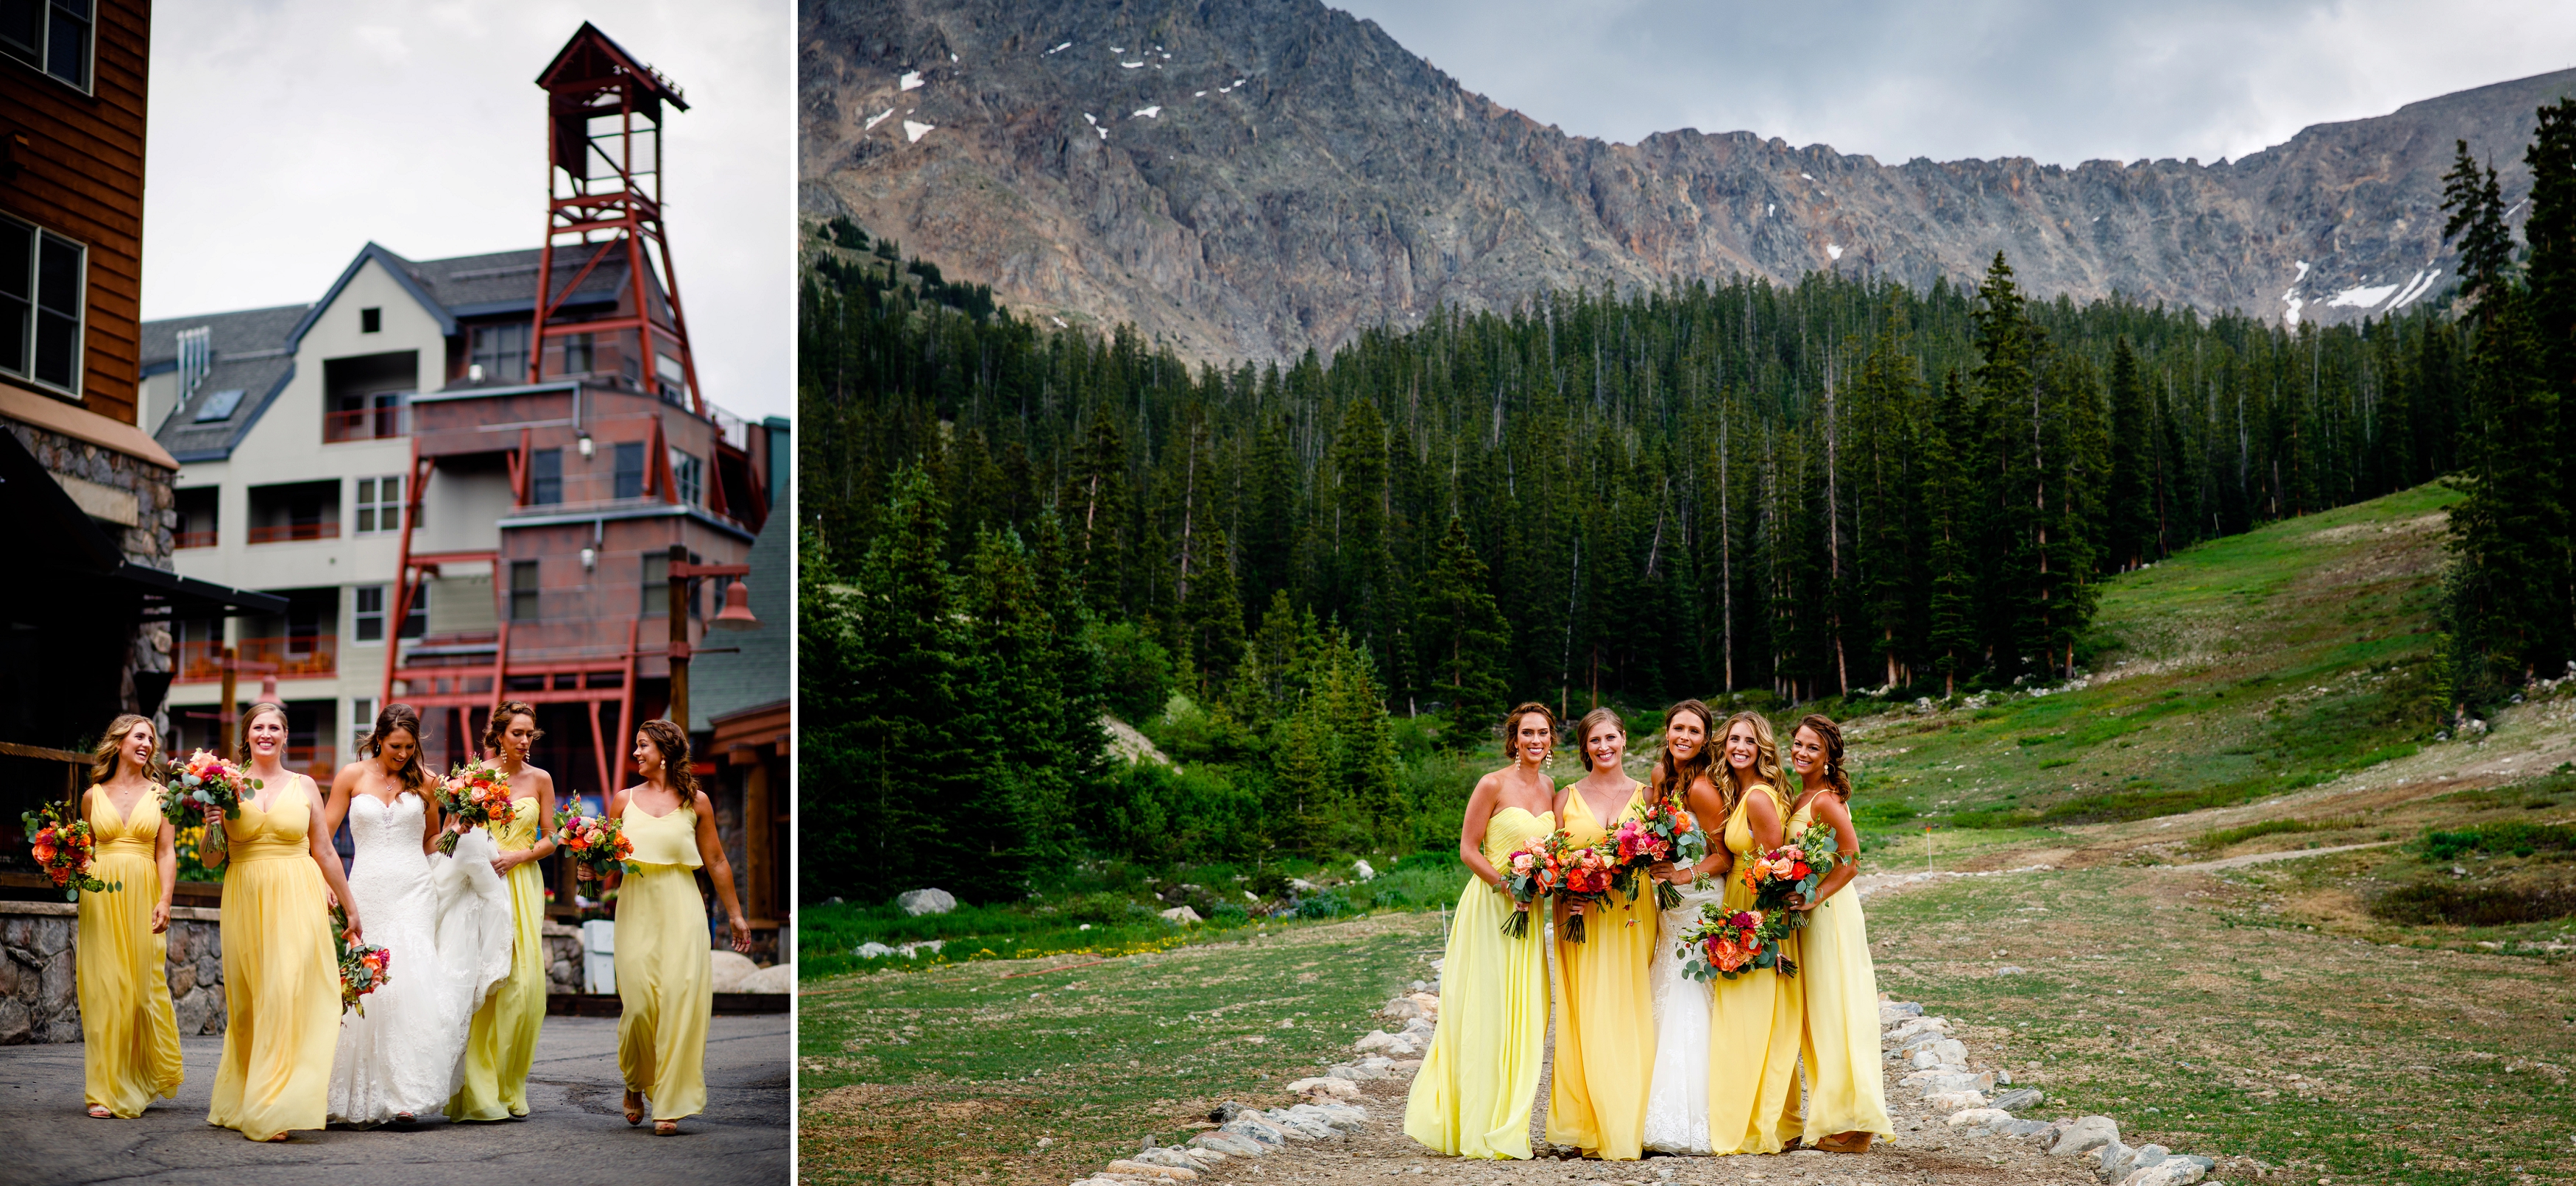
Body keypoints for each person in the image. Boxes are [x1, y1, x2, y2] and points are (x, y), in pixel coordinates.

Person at [320, 702, 512, 1126]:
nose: (402, 754)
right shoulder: (351, 777)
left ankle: (404, 1094)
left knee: (409, 981)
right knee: (370, 984)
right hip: (366, 888)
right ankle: (359, 1091)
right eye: (394, 746)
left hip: (414, 890)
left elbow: (430, 842)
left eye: (409, 747)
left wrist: (457, 827)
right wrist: (329, 886)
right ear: (378, 738)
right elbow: (324, 837)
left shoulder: (428, 783)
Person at [1402, 702, 1557, 1159]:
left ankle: (1510, 1122)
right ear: (1514, 740)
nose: (1535, 740)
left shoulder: (1551, 788)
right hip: (1491, 908)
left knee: (1525, 1013)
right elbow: (1469, 849)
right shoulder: (1492, 783)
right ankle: (1474, 1123)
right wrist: (1505, 884)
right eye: (1527, 732)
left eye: (1543, 733)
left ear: (1551, 741)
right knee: (1487, 1011)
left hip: (1529, 914)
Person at [205, 702, 365, 1142]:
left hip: (298, 894)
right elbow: (211, 858)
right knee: (249, 1003)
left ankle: (274, 1106)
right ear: (247, 735)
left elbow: (325, 851)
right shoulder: (225, 785)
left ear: (286, 735)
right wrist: (212, 824)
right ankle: (244, 1097)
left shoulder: (306, 785)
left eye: (275, 727)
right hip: (245, 896)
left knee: (287, 994)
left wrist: (350, 907)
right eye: (259, 727)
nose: (267, 734)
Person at [605, 719, 754, 1134]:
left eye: (643, 746)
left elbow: (718, 861)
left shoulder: (697, 803)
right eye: (636, 745)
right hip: (635, 906)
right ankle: (636, 1081)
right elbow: (604, 858)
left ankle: (668, 1103)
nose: (636, 753)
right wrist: (589, 867)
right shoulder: (622, 801)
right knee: (638, 1007)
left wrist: (736, 915)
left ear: (664, 754)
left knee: (678, 1003)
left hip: (682, 907)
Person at [1543, 707, 1657, 1161]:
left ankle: (1636, 1122)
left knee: (1634, 1012)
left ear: (1625, 739)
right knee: (1588, 1015)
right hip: (1585, 918)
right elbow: (1552, 861)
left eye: (1611, 738)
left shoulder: (1649, 796)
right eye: (1595, 741)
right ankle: (1589, 1126)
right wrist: (1563, 897)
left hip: (1634, 915)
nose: (1604, 747)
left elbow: (1666, 852)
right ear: (1585, 747)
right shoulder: (1565, 797)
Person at [1784, 714, 1892, 1154]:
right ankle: (1839, 1117)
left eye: (1812, 747)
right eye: (1798, 743)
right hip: (1811, 914)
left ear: (1829, 757)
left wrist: (1815, 897)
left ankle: (1858, 1123)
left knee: (1838, 1010)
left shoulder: (1825, 800)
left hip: (1829, 913)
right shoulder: (1800, 796)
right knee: (1820, 1017)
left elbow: (1851, 859)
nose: (1801, 753)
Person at [450, 701, 559, 1121]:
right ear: (498, 735)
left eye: (530, 734)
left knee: (525, 989)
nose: (525, 741)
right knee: (485, 987)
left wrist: (518, 857)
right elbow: (452, 831)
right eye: (517, 733)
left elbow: (553, 838)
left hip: (523, 882)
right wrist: (462, 830)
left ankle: (512, 1083)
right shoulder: (473, 777)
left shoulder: (541, 779)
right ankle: (478, 1091)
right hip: (482, 885)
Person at [1702, 710, 1803, 1155]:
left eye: (1749, 741)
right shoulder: (1744, 794)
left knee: (1755, 1019)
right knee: (1754, 1019)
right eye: (1733, 740)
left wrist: (1766, 938)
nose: (1739, 747)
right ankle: (1775, 1119)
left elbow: (1773, 872)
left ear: (1763, 748)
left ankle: (1762, 1122)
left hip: (1756, 913)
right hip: (1739, 908)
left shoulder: (1759, 798)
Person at [75, 714, 184, 1119]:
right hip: (100, 895)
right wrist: (70, 866)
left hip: (143, 892)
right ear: (119, 742)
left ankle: (141, 1074)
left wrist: (166, 900)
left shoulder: (161, 795)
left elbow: (165, 852)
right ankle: (103, 1090)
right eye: (139, 736)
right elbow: (82, 848)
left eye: (151, 739)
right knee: (105, 989)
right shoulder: (93, 796)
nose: (146, 744)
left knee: (140, 989)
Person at [1640, 699, 1725, 1154]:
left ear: (1705, 737)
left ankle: (1693, 1117)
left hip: (1698, 901)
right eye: (1678, 728)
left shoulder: (1704, 789)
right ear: (1667, 730)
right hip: (1668, 905)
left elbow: (1723, 855)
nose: (1685, 737)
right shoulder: (1661, 777)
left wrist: (1680, 875)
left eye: (1695, 731)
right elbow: (1656, 836)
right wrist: (1654, 857)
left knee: (1689, 993)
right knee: (1664, 988)